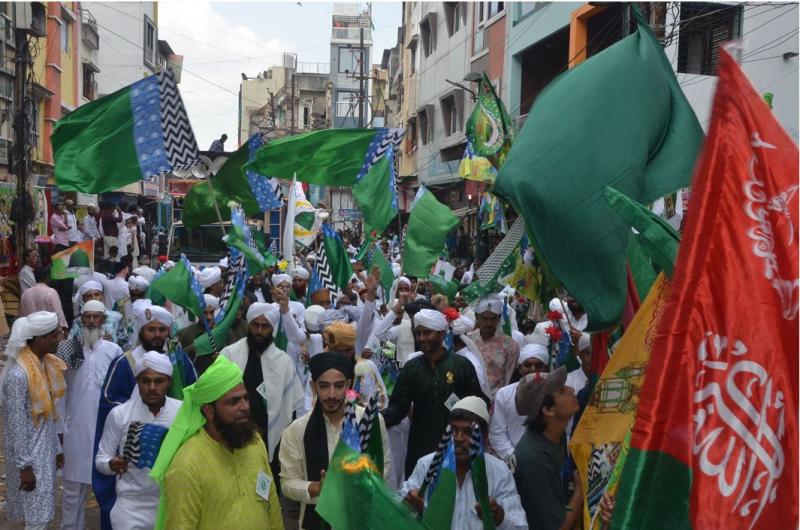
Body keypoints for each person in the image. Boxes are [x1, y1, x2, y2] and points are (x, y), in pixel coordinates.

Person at [94, 302, 197, 530]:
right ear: (142, 331)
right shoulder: (126, 363)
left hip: (170, 498)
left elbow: (195, 397)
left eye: (162, 330)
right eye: (152, 329)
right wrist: (135, 416)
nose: (157, 335)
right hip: (131, 502)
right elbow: (109, 401)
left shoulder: (179, 361)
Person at [152, 355, 283, 530]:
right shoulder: (187, 465)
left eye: (246, 398)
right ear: (209, 410)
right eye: (234, 402)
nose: (244, 407)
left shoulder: (253, 440)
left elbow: (271, 503)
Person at [279, 352, 391, 530]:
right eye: (323, 386)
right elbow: (287, 483)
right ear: (313, 386)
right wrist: (316, 488)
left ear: (349, 384)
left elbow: (383, 468)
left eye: (338, 386)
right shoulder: (296, 430)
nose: (331, 394)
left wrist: (361, 483)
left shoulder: (370, 422)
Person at [382, 309, 487, 478]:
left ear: (441, 333)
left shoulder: (461, 365)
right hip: (420, 447)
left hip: (456, 445)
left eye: (427, 332)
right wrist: (376, 418)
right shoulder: (411, 368)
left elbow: (478, 404)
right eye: (418, 333)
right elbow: (398, 408)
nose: (422, 338)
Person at [401, 397, 528, 529]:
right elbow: (395, 509)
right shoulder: (426, 464)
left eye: (468, 432)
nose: (458, 438)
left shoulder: (499, 472)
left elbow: (520, 527)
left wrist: (500, 518)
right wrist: (406, 505)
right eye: (454, 430)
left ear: (484, 437)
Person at [55, 300, 123, 530]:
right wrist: (59, 429)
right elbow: (60, 392)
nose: (92, 321)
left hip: (106, 430)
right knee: (73, 491)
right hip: (75, 429)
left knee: (110, 488)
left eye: (96, 316)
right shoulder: (68, 349)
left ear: (103, 320)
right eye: (87, 316)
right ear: (81, 319)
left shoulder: (114, 351)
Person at [95, 352, 181, 530]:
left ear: (169, 382)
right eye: (145, 381)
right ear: (137, 381)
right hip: (130, 507)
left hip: (171, 505)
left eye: (159, 381)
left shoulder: (182, 412)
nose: (152, 387)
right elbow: (101, 459)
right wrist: (111, 464)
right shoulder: (120, 414)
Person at [220, 298, 304, 475]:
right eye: (255, 325)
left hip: (268, 435)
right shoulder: (229, 354)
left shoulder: (283, 362)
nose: (259, 331)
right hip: (233, 432)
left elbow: (291, 406)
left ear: (272, 329)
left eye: (264, 326)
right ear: (249, 325)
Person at [0, 312, 66, 530]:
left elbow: (49, 414)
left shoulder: (43, 364)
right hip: (30, 458)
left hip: (44, 452)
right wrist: (24, 467)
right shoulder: (19, 375)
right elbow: (15, 426)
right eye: (55, 335)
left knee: (41, 516)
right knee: (37, 520)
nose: (59, 339)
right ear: (40, 339)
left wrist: (57, 449)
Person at [513, 367, 583, 530]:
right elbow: (559, 527)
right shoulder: (535, 458)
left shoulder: (556, 435)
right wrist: (580, 491)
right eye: (562, 391)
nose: (572, 390)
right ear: (548, 410)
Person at [490, 343, 549, 467]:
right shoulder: (504, 394)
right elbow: (497, 434)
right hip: (513, 459)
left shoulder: (553, 394)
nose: (532, 369)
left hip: (546, 459)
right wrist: (515, 457)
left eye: (538, 365)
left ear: (545, 368)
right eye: (527, 365)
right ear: (520, 368)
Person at [467, 296, 520, 399]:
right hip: (470, 399)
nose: (488, 323)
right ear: (477, 317)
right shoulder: (467, 340)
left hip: (496, 399)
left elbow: (508, 378)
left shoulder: (510, 345)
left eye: (492, 319)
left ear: (499, 318)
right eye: (484, 318)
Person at [69, 280, 130, 352]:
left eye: (97, 294)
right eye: (89, 296)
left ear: (102, 296)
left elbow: (126, 346)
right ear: (84, 299)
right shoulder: (78, 322)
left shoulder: (116, 317)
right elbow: (70, 347)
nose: (94, 298)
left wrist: (111, 343)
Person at [20, 266, 67, 332]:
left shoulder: (25, 294)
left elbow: (23, 316)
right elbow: (59, 314)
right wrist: (64, 329)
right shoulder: (51, 292)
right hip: (49, 331)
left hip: (32, 331)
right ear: (47, 277)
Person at [178, 294, 218, 359]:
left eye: (211, 312)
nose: (209, 317)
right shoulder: (184, 334)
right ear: (198, 313)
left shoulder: (223, 331)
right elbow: (178, 357)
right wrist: (193, 347)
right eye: (205, 313)